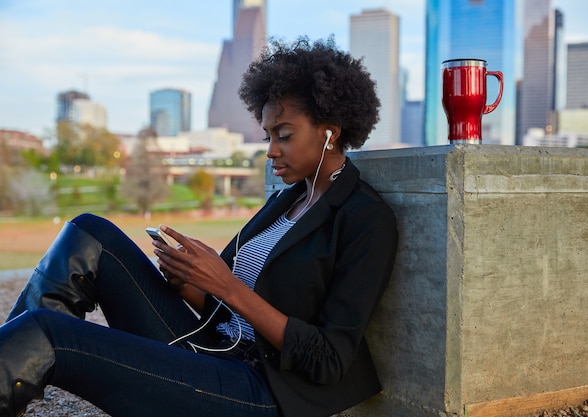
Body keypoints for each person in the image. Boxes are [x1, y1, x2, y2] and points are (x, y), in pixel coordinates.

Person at [0, 37, 397, 417]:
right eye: (268, 136)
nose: (271, 149)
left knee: (47, 332)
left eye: (284, 135)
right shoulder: (288, 200)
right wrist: (190, 282)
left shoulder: (365, 218)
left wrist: (226, 285)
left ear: (331, 130)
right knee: (89, 234)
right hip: (213, 353)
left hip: (262, 391)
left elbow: (329, 359)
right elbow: (228, 312)